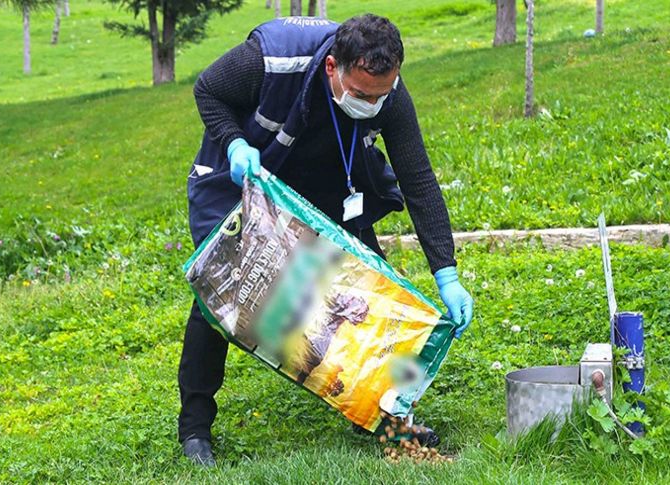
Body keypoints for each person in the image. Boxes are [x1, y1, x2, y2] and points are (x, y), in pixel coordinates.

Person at [180, 13, 475, 467]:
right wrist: (235, 143)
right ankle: (195, 428)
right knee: (224, 294)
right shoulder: (272, 56)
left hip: (327, 177)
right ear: (332, 67)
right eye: (360, 95)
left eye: (381, 96)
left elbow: (418, 179)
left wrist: (446, 270)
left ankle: (390, 417)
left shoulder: (387, 93)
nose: (372, 106)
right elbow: (209, 91)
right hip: (244, 175)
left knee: (373, 291)